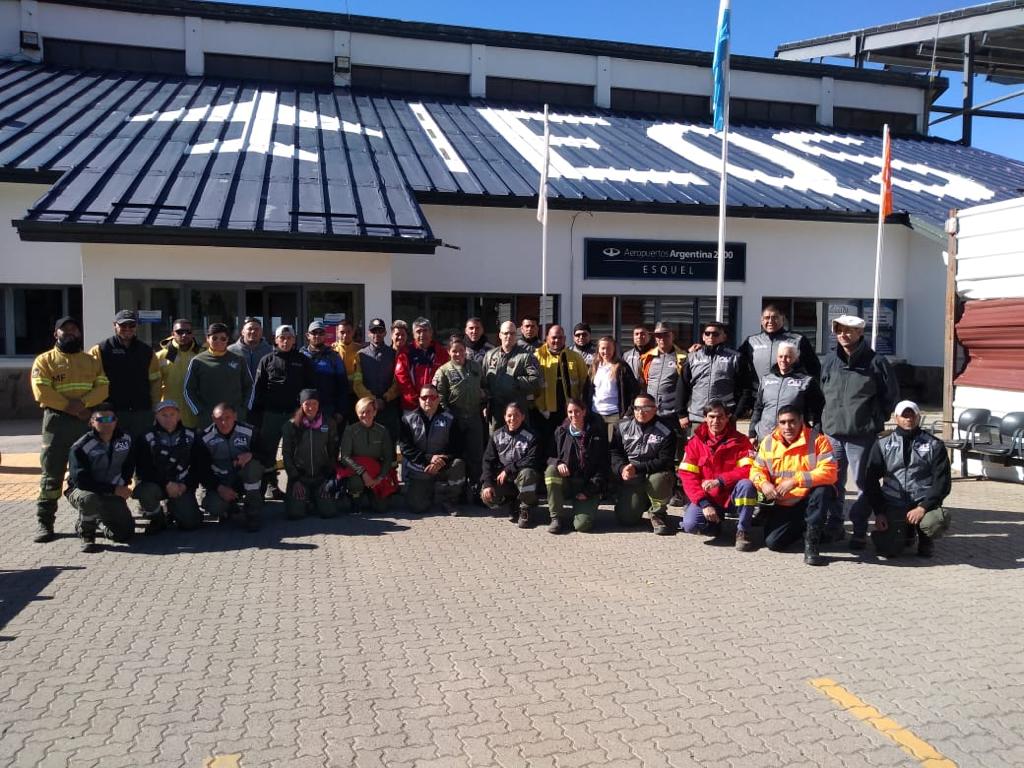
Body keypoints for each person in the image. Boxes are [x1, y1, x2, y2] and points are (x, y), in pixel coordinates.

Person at [819, 314, 900, 544]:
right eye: (839, 330)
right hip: (832, 433)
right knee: (833, 482)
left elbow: (890, 396)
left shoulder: (876, 362)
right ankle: (834, 526)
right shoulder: (829, 361)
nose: (843, 335)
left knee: (864, 484)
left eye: (848, 330)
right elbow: (820, 392)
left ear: (860, 333)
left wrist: (874, 419)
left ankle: (859, 530)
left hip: (861, 435)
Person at [30, 315, 109, 543]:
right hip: (57, 422)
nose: (71, 333)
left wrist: (83, 405)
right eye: (65, 330)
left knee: (91, 472)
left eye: (74, 329)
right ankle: (45, 522)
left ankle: (92, 519)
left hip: (85, 421)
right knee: (51, 474)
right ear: (56, 334)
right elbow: (41, 391)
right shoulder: (44, 361)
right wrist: (70, 407)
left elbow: (103, 387)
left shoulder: (91, 360)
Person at [860, 400, 952, 557]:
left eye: (912, 415)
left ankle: (925, 540)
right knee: (889, 550)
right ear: (896, 418)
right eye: (904, 415)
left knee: (935, 521)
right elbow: (870, 480)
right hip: (893, 502)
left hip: (922, 502)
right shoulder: (882, 443)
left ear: (918, 417)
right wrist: (879, 512)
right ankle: (904, 534)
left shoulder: (934, 445)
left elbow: (942, 482)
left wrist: (923, 507)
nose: (908, 419)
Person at [749, 405, 838, 565]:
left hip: (808, 499)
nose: (787, 426)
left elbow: (830, 472)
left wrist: (796, 480)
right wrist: (764, 484)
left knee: (824, 489)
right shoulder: (769, 442)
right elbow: (756, 469)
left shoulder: (818, 440)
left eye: (792, 422)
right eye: (782, 422)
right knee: (773, 543)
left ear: (801, 421)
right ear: (778, 423)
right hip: (783, 502)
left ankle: (812, 543)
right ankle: (806, 527)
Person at [677, 401, 756, 542]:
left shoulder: (741, 441)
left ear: (727, 417)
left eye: (720, 417)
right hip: (708, 496)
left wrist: (720, 481)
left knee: (747, 485)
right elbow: (687, 476)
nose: (715, 421)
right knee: (690, 525)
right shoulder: (695, 442)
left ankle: (743, 531)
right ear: (705, 418)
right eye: (711, 417)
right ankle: (715, 523)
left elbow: (748, 469)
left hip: (732, 495)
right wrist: (704, 504)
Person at [251, 325, 315, 497]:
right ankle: (268, 487)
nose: (285, 341)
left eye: (289, 337)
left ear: (294, 340)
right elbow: (258, 389)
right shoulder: (266, 360)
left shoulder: (302, 360)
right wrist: (258, 414)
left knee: (296, 452)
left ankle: (298, 489)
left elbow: (310, 388)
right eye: (282, 337)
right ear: (275, 339)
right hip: (271, 414)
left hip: (295, 415)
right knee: (267, 453)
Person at [66, 403, 135, 552]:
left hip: (111, 490)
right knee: (89, 499)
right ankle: (87, 534)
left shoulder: (126, 440)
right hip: (82, 490)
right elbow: (81, 481)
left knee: (124, 534)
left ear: (116, 421)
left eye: (111, 419)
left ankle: (99, 521)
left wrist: (123, 484)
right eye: (101, 420)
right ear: (91, 422)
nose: (107, 423)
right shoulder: (81, 447)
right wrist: (113, 489)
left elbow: (129, 466)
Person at [610, 393, 677, 535]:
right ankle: (643, 501)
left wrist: (637, 468)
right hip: (632, 476)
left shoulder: (667, 430)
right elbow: (614, 452)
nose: (641, 412)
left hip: (655, 474)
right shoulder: (622, 426)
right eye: (637, 408)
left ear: (655, 409)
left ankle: (658, 514)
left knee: (659, 478)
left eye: (646, 408)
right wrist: (622, 468)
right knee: (626, 519)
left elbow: (665, 460)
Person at [133, 399, 203, 533]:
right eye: (163, 415)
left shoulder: (192, 436)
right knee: (144, 491)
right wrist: (166, 483)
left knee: (191, 523)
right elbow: (143, 469)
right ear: (156, 417)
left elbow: (198, 467)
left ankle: (173, 509)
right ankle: (157, 518)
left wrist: (185, 485)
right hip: (157, 484)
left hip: (181, 486)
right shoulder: (145, 437)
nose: (168, 418)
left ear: (179, 415)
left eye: (172, 414)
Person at [89, 309, 161, 439]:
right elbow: (91, 382)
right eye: (123, 325)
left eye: (131, 325)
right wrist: (98, 408)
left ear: (136, 327)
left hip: (141, 412)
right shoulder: (100, 350)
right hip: (111, 413)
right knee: (113, 450)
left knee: (141, 450)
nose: (127, 329)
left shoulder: (147, 351)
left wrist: (154, 407)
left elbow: (155, 381)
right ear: (114, 325)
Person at [544, 399, 609, 534]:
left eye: (577, 411)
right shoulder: (560, 431)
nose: (574, 415)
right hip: (567, 482)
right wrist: (558, 463)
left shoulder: (597, 433)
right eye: (570, 412)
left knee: (582, 526)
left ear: (584, 411)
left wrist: (589, 491)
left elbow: (603, 466)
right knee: (551, 471)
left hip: (587, 486)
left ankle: (581, 509)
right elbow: (549, 456)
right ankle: (556, 518)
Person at [196, 402, 264, 532]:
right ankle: (232, 511)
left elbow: (266, 455)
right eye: (219, 419)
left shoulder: (249, 432)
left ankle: (253, 513)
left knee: (254, 466)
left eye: (228, 418)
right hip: (222, 482)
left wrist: (251, 454)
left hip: (244, 479)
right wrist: (219, 488)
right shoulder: (204, 438)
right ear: (213, 418)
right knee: (212, 505)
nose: (224, 422)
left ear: (235, 416)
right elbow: (202, 471)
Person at [399, 384, 465, 515]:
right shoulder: (407, 419)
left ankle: (450, 500)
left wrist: (441, 460)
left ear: (438, 399)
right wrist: (428, 459)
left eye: (432, 397)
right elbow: (406, 449)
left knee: (458, 464)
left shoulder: (450, 419)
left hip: (442, 465)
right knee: (418, 508)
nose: (428, 401)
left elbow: (457, 447)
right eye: (424, 397)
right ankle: (428, 490)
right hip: (419, 467)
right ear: (419, 399)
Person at [433, 335, 485, 500]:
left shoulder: (476, 367)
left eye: (461, 351)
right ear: (449, 352)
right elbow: (440, 397)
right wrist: (449, 417)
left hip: (475, 418)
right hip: (455, 419)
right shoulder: (443, 371)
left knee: (476, 456)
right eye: (454, 351)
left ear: (466, 351)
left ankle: (477, 491)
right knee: (458, 458)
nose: (458, 354)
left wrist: (484, 399)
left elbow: (485, 386)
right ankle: (458, 492)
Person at [677, 321, 750, 431]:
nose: (711, 336)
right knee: (697, 448)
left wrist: (736, 414)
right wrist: (682, 414)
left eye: (715, 334)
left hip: (724, 418)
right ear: (703, 336)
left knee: (725, 448)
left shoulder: (735, 358)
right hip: (698, 417)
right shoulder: (692, 357)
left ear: (724, 336)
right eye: (707, 333)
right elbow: (682, 386)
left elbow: (745, 388)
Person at [748, 341, 825, 443]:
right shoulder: (766, 379)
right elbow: (758, 408)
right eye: (780, 356)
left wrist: (815, 434)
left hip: (793, 439)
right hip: (766, 438)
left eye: (787, 356)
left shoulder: (806, 381)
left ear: (795, 358)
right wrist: (752, 433)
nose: (783, 360)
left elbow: (818, 411)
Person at [280, 389, 339, 520]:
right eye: (307, 404)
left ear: (319, 404)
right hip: (300, 478)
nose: (311, 407)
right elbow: (287, 455)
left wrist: (328, 479)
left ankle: (314, 499)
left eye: (314, 403)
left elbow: (333, 452)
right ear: (301, 404)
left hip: (321, 477)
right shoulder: (290, 426)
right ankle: (306, 499)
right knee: (295, 514)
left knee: (329, 512)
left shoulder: (329, 423)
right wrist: (294, 479)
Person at [481, 401, 541, 528]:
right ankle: (512, 502)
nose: (512, 419)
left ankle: (525, 508)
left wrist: (508, 469)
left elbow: (531, 459)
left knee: (528, 473)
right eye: (509, 415)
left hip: (522, 478)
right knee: (486, 497)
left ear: (523, 417)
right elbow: (487, 460)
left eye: (516, 415)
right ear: (504, 417)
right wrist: (487, 483)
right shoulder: (496, 435)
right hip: (504, 480)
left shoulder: (532, 436)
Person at [183, 323, 254, 429]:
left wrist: (244, 409)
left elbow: (250, 386)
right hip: (208, 420)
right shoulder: (197, 361)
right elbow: (188, 390)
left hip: (235, 418)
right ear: (207, 338)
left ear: (227, 339)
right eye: (214, 338)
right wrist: (199, 412)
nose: (218, 341)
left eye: (223, 338)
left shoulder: (239, 360)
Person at [739, 303, 820, 390]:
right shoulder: (751, 341)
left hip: (787, 394)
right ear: (761, 320)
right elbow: (737, 365)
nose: (770, 321)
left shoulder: (798, 340)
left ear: (783, 319)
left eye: (775, 317)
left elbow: (813, 368)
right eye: (767, 318)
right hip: (758, 394)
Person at [534, 324, 588, 455]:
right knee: (546, 443)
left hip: (569, 411)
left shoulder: (575, 357)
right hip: (545, 412)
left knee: (569, 442)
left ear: (564, 339)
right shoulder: (537, 355)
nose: (556, 341)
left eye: (559, 338)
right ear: (547, 338)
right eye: (553, 337)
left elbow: (584, 383)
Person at [338, 396, 396, 513]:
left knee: (381, 508)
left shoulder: (382, 431)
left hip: (376, 472)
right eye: (361, 412)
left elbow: (388, 457)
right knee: (355, 483)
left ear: (375, 412)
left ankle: (371, 495)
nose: (365, 415)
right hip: (357, 473)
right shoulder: (350, 431)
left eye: (368, 411)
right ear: (357, 413)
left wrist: (380, 478)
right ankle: (356, 499)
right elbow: (345, 457)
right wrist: (363, 473)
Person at [482, 321, 542, 432]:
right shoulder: (490, 355)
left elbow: (537, 381)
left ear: (516, 335)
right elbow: (483, 383)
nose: (508, 336)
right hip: (496, 412)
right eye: (505, 333)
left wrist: (514, 382)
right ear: (500, 335)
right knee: (496, 444)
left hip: (517, 411)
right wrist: (484, 404)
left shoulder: (526, 356)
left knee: (519, 444)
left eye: (512, 333)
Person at [583, 335, 638, 441]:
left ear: (614, 349)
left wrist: (628, 413)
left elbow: (633, 392)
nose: (606, 351)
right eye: (603, 348)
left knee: (612, 446)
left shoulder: (622, 367)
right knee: (598, 446)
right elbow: (586, 391)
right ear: (598, 349)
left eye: (609, 348)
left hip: (615, 414)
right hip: (596, 414)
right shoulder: (593, 367)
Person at [355, 318, 399, 440]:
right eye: (373, 331)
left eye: (380, 331)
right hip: (368, 408)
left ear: (385, 333)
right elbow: (357, 383)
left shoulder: (394, 354)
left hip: (388, 406)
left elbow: (398, 381)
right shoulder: (360, 355)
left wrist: (385, 398)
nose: (377, 334)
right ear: (369, 333)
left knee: (389, 443)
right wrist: (373, 401)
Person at [639, 322, 687, 436]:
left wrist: (682, 413)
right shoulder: (647, 357)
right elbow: (642, 383)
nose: (662, 338)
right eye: (658, 335)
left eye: (666, 335)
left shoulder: (683, 357)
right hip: (651, 412)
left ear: (672, 336)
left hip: (673, 413)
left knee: (677, 447)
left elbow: (687, 387)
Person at [155, 318, 204, 429]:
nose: (184, 335)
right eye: (180, 332)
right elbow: (154, 387)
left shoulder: (202, 354)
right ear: (173, 333)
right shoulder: (161, 356)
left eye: (188, 332)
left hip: (196, 412)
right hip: (170, 414)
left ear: (193, 334)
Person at [394, 317, 449, 412]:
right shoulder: (405, 353)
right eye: (418, 331)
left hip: (436, 405)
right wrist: (417, 400)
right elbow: (402, 379)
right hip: (412, 406)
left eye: (425, 331)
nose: (422, 334)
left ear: (431, 332)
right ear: (413, 334)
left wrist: (435, 399)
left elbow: (447, 378)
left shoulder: (441, 352)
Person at [331, 316, 363, 416]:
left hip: (355, 394)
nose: (345, 335)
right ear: (337, 332)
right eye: (342, 332)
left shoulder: (360, 350)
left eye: (348, 332)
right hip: (337, 395)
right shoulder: (332, 350)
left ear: (353, 332)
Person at [229, 317, 272, 382]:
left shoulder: (270, 351)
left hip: (263, 391)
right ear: (243, 332)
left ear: (261, 332)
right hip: (238, 391)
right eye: (250, 329)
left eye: (256, 329)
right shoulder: (230, 350)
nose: (253, 331)